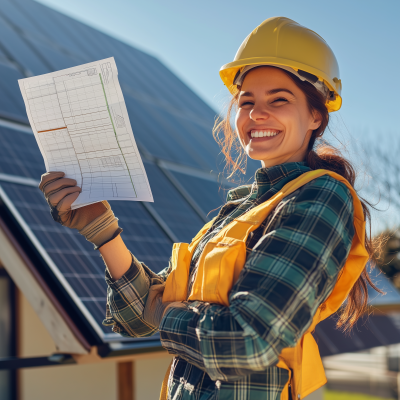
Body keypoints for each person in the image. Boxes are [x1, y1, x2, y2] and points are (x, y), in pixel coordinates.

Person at [39, 17, 380, 400]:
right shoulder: (238, 210)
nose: (256, 114)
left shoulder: (320, 199)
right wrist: (103, 229)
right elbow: (140, 315)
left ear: (315, 116)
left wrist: (165, 313)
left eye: (278, 100)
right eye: (246, 101)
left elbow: (250, 340)